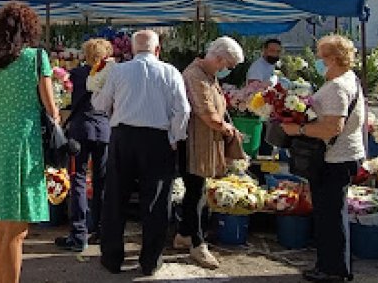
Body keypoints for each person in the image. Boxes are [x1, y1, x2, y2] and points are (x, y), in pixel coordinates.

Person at [0, 1, 59, 283]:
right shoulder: (36, 59)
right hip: (24, 143)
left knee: (2, 227)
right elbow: (52, 109)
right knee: (16, 229)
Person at [93, 30, 190, 277]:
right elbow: (183, 110)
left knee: (115, 198)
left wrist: (97, 87)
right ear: (158, 50)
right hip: (158, 139)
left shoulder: (118, 70)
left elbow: (100, 105)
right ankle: (150, 261)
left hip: (123, 137)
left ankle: (112, 258)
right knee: (156, 202)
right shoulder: (171, 72)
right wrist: (174, 138)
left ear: (133, 50)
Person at [279, 34, 365, 283]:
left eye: (321, 56)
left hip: (334, 159)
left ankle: (333, 270)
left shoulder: (338, 87)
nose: (317, 59)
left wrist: (299, 130)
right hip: (343, 155)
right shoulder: (349, 80)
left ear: (333, 59)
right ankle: (334, 266)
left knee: (330, 217)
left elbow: (332, 127)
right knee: (332, 214)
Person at [175, 36, 246, 269]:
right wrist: (228, 129)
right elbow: (207, 114)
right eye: (226, 65)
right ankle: (197, 243)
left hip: (204, 142)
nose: (226, 70)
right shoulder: (195, 75)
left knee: (197, 190)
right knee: (196, 192)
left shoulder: (208, 75)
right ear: (217, 58)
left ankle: (184, 234)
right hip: (194, 142)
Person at [54, 38, 114, 252]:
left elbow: (65, 99)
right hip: (104, 129)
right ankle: (99, 229)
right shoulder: (110, 75)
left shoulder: (77, 74)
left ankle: (79, 234)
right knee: (102, 181)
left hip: (80, 129)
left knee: (78, 178)